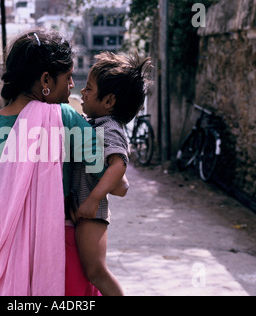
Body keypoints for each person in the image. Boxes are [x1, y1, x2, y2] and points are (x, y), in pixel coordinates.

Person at [0, 29, 128, 296]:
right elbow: (119, 185)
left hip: (5, 260)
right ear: (45, 80)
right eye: (69, 77)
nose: (73, 85)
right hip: (59, 257)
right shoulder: (66, 118)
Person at [71, 51, 152, 296]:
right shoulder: (93, 123)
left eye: (89, 88)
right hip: (84, 209)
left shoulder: (110, 128)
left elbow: (119, 166)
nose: (82, 92)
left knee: (95, 271)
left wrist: (94, 198)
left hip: (92, 213)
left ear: (108, 102)